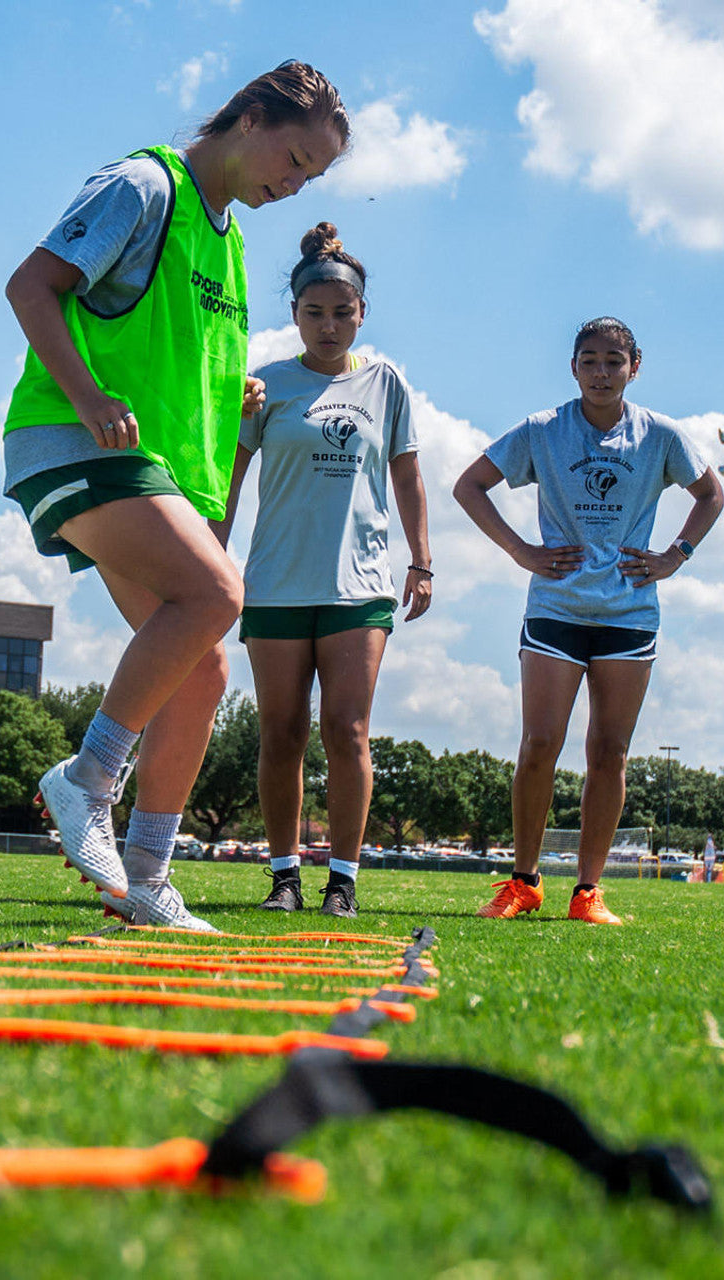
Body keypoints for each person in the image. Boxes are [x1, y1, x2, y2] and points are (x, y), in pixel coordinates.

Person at [2, 62, 349, 932]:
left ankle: (147, 880)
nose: (294, 182)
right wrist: (87, 396)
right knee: (219, 595)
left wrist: (234, 395)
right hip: (77, 443)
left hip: (152, 468)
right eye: (295, 158)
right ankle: (88, 778)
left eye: (312, 175)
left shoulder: (228, 238)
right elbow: (30, 286)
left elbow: (172, 349)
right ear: (250, 118)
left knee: (204, 669)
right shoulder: (143, 184)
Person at [452, 317, 724, 925]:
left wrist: (673, 557)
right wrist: (522, 551)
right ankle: (523, 882)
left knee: (609, 751)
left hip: (629, 614)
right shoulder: (543, 430)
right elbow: (469, 486)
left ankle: (587, 892)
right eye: (590, 360)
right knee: (539, 744)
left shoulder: (662, 435)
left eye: (614, 361)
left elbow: (711, 495)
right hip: (555, 608)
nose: (602, 372)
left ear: (634, 367)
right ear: (573, 367)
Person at [214, 223, 432, 918]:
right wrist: (209, 557)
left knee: (348, 731)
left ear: (362, 313)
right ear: (294, 314)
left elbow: (408, 477)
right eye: (315, 312)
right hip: (275, 584)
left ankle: (343, 881)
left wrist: (421, 562)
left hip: (359, 589)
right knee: (280, 732)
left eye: (343, 312)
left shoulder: (386, 382)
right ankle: (284, 878)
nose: (329, 325)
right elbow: (229, 475)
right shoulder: (263, 384)